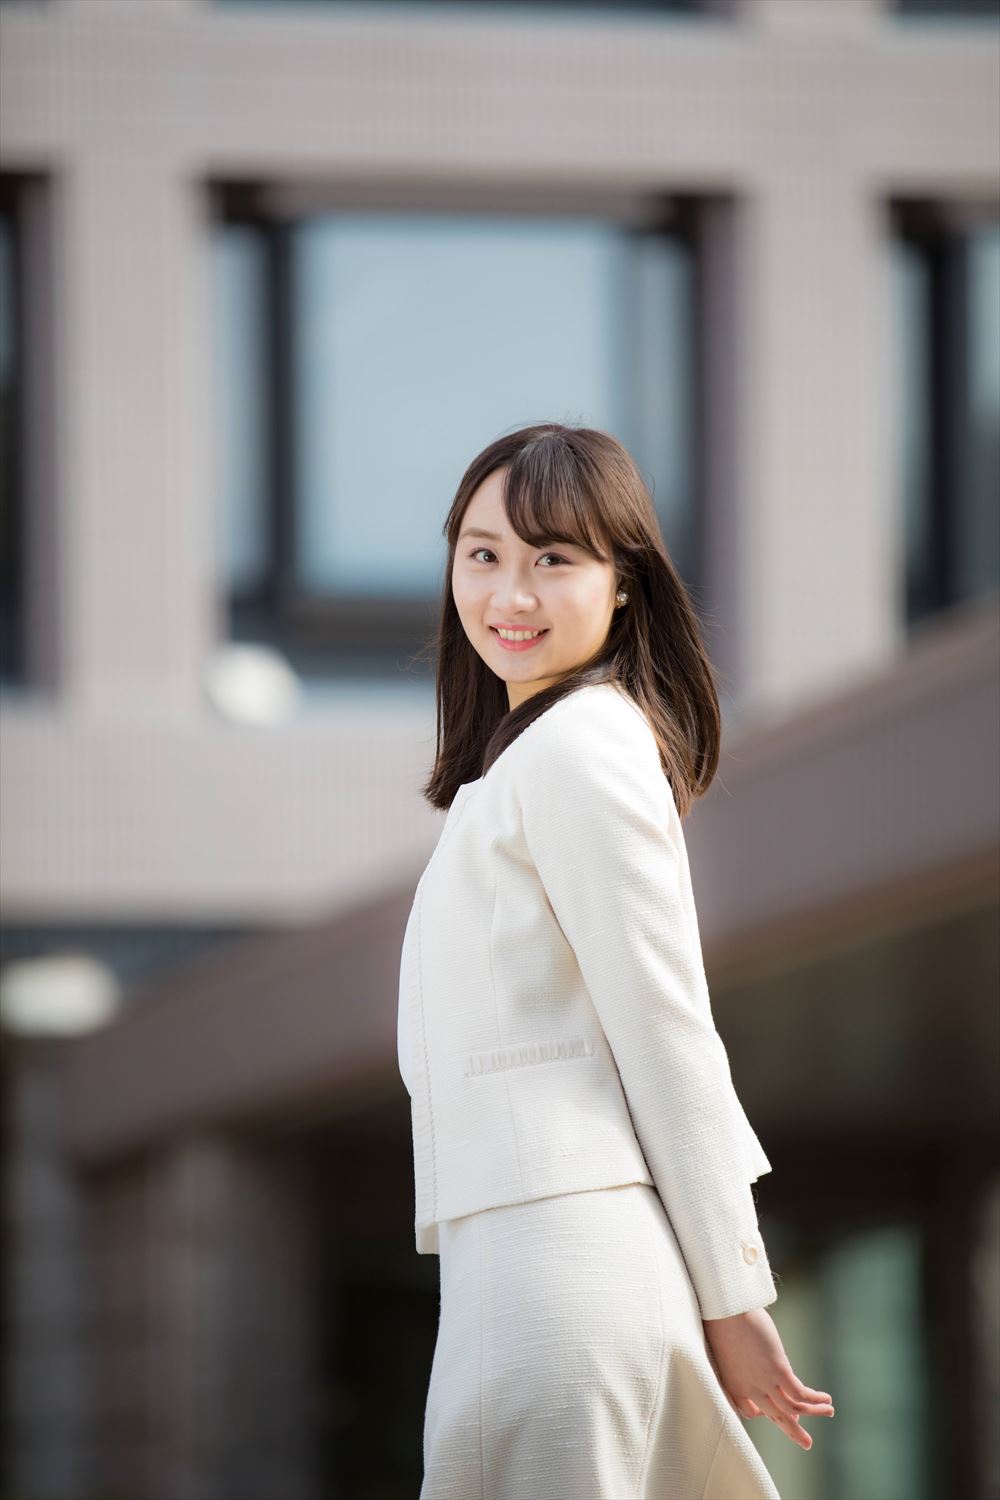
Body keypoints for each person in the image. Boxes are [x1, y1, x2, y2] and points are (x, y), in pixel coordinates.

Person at [397, 423, 834, 1499]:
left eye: (555, 559)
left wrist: (732, 1295)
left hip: (553, 1266)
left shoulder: (583, 743)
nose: (511, 592)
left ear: (623, 584)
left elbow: (665, 1025)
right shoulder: (525, 761)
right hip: (526, 1261)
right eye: (484, 553)